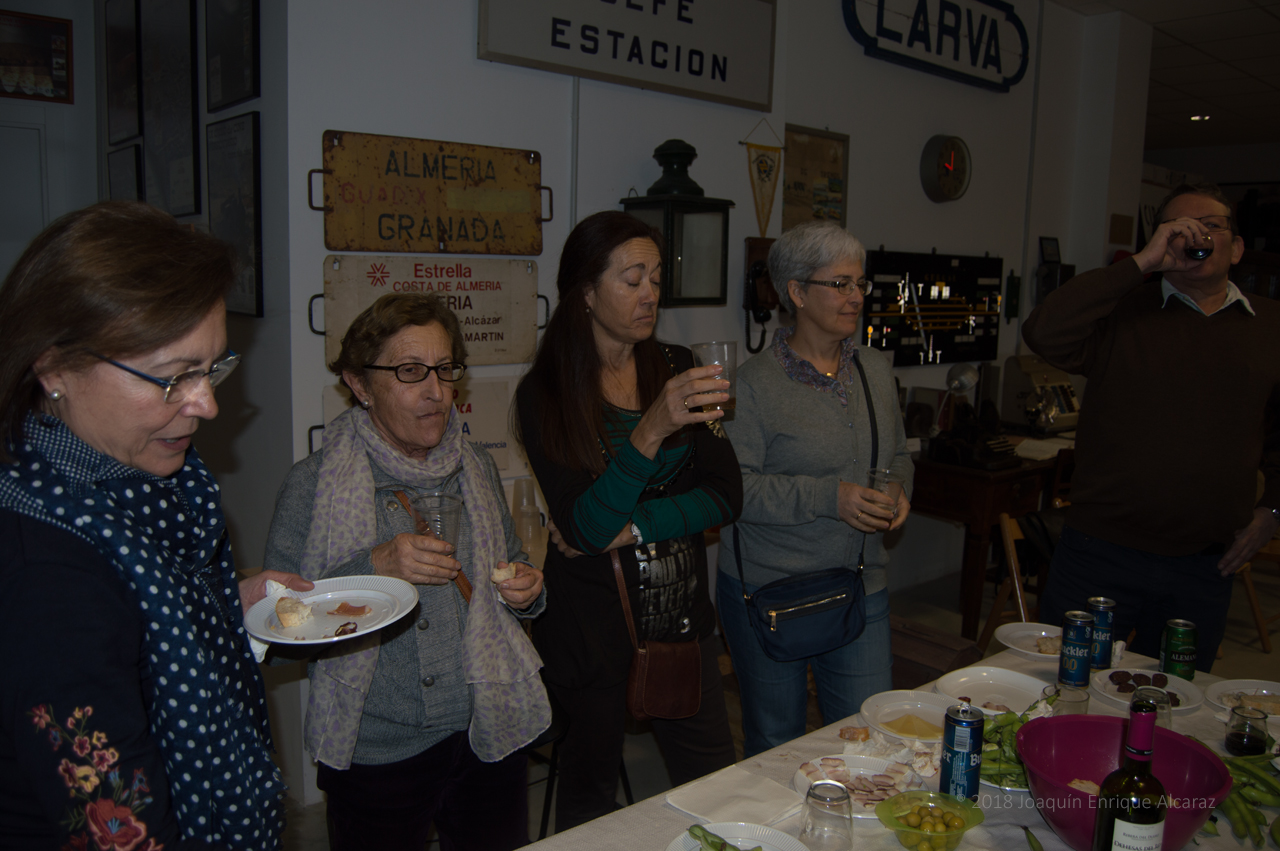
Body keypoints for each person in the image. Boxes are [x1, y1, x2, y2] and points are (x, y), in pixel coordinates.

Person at [0, 201, 313, 850]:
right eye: (173, 379)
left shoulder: (135, 487)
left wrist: (223, 607)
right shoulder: (46, 577)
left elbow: (134, 628)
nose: (207, 403)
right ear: (54, 368)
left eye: (212, 367)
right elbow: (123, 830)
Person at [263, 293, 549, 851]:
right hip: (377, 754)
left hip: (488, 729)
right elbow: (278, 628)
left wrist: (525, 588)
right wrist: (372, 567)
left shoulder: (475, 466)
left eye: (444, 369)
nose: (436, 391)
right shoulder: (313, 486)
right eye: (411, 371)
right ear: (360, 384)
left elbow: (513, 562)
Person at [514, 211, 739, 831]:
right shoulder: (545, 395)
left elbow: (726, 496)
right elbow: (586, 530)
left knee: (719, 791)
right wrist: (651, 429)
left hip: (681, 621)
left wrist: (636, 525)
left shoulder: (678, 365)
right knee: (590, 808)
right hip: (590, 634)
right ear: (586, 293)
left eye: (657, 279)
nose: (650, 294)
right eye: (632, 279)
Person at [1023, 183, 1280, 671]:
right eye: (1180, 228)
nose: (1196, 237)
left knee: (1175, 700)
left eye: (1211, 226)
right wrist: (1141, 263)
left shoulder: (1269, 327)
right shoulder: (1123, 312)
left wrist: (1273, 510)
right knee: (1065, 685)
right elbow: (1043, 331)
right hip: (1099, 554)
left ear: (1237, 248)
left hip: (1205, 564)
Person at [719, 221, 913, 757]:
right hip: (771, 590)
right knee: (777, 745)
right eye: (840, 284)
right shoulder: (751, 386)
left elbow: (898, 453)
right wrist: (833, 497)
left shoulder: (875, 370)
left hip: (860, 581)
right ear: (797, 293)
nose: (856, 296)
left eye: (860, 283)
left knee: (868, 738)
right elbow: (738, 491)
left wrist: (899, 488)